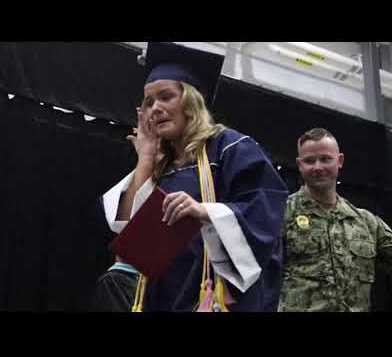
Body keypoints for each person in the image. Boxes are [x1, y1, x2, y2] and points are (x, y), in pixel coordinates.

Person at [102, 42, 289, 312]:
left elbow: (265, 213)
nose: (155, 108)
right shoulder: (159, 163)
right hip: (163, 296)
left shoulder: (229, 148)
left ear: (192, 101)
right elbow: (125, 235)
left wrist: (205, 211)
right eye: (149, 102)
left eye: (166, 97)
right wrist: (144, 160)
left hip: (213, 296)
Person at [279, 127, 392, 312]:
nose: (317, 167)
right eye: (309, 161)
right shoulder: (281, 213)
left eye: (325, 159)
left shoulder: (366, 222)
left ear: (339, 161)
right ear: (299, 165)